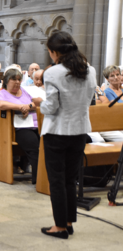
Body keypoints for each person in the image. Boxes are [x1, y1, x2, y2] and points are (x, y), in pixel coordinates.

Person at [30, 32, 96, 239]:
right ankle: (68, 222)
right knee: (70, 179)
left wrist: (39, 104)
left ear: (54, 51)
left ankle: (59, 227)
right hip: (79, 131)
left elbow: (52, 107)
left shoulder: (53, 72)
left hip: (57, 132)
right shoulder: (90, 69)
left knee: (57, 180)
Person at [0, 68, 39, 184]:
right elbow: (0, 104)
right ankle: (38, 179)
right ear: (7, 81)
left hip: (36, 125)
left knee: (48, 144)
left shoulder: (24, 91)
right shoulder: (1, 93)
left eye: (19, 79)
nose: (17, 82)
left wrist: (28, 106)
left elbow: (36, 102)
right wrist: (20, 107)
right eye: (14, 79)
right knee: (34, 147)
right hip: (18, 128)